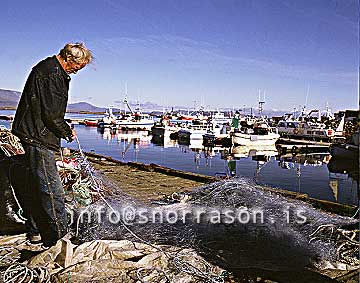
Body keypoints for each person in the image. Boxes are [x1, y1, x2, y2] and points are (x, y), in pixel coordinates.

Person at [11, 43, 93, 247]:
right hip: (38, 136)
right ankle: (60, 237)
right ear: (68, 58)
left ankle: (35, 231)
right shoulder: (53, 74)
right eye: (77, 67)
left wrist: (61, 127)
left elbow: (49, 110)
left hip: (34, 132)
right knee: (51, 189)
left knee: (35, 185)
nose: (77, 71)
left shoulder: (49, 69)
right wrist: (66, 131)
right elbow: (52, 114)